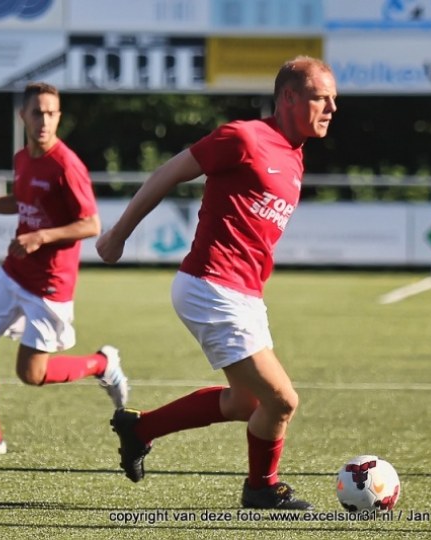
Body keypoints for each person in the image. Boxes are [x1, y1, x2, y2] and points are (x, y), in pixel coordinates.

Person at [96, 56, 337, 510]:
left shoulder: (296, 155)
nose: (331, 108)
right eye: (320, 97)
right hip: (211, 287)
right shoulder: (244, 137)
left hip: (244, 294)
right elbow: (169, 172)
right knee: (282, 401)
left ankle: (139, 429)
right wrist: (118, 234)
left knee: (249, 404)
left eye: (333, 100)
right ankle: (261, 489)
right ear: (288, 97)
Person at [0, 82, 128, 455]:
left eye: (51, 113)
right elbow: (20, 201)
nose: (44, 120)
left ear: (58, 116)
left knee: (31, 374)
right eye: (37, 112)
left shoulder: (67, 165)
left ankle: (102, 363)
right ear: (23, 116)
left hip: (50, 282)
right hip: (14, 271)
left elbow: (91, 225)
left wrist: (40, 237)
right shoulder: (22, 158)